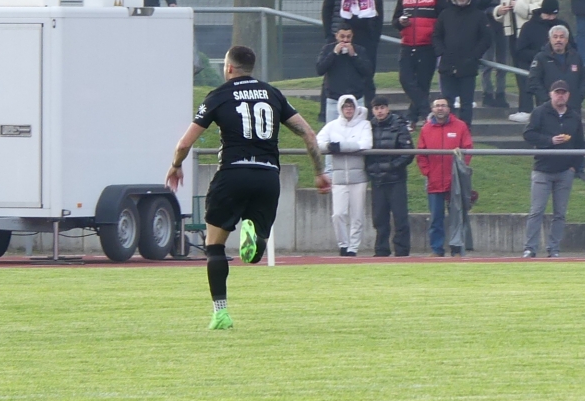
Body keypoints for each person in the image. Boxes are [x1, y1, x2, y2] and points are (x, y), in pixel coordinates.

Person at [168, 45, 326, 327]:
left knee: (214, 246)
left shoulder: (219, 95)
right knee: (253, 255)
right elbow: (309, 134)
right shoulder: (272, 94)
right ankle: (254, 235)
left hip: (233, 173)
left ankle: (220, 313)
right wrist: (319, 173)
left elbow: (184, 144)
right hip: (267, 176)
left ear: (229, 67)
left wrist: (176, 165)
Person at [521, 80, 584, 259]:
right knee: (536, 211)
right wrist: (550, 141)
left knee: (560, 213)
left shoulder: (574, 116)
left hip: (565, 171)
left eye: (563, 93)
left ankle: (554, 248)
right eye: (557, 92)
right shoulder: (540, 112)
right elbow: (528, 134)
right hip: (542, 169)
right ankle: (530, 248)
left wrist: (574, 167)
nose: (560, 96)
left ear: (568, 95)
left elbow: (580, 143)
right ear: (551, 94)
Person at [415, 96, 473, 256]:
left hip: (455, 181)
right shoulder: (426, 129)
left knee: (457, 216)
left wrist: (460, 170)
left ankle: (457, 249)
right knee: (436, 218)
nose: (440, 108)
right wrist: (428, 172)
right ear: (432, 109)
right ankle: (437, 249)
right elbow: (421, 154)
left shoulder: (460, 126)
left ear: (448, 108)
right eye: (437, 106)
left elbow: (468, 149)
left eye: (443, 105)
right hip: (434, 181)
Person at [432, 0, 495, 122]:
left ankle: (465, 131)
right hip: (447, 65)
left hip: (468, 66)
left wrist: (474, 56)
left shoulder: (478, 15)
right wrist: (441, 52)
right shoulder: (445, 14)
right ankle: (447, 129)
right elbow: (436, 35)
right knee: (447, 102)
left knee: (466, 104)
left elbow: (486, 38)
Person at [318, 94, 371, 257]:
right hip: (339, 177)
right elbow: (318, 142)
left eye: (351, 106)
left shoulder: (364, 124)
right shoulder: (332, 126)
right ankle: (343, 244)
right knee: (338, 214)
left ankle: (353, 247)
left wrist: (340, 147)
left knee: (357, 215)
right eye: (345, 106)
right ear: (340, 108)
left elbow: (366, 144)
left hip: (358, 177)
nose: (348, 109)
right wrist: (329, 146)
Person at [365, 97, 413, 257]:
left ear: (387, 108)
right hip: (377, 179)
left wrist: (392, 166)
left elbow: (408, 152)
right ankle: (381, 250)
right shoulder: (368, 127)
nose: (379, 111)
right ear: (372, 110)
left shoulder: (399, 125)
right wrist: (371, 169)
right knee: (379, 218)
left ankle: (402, 251)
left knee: (400, 217)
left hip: (396, 179)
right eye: (376, 108)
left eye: (382, 108)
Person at [314, 25, 374, 119]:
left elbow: (368, 71)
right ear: (336, 36)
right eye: (342, 36)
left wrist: (354, 56)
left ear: (352, 36)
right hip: (334, 100)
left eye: (348, 37)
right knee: (333, 128)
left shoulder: (360, 50)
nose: (345, 40)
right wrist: (334, 54)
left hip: (356, 100)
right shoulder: (328, 49)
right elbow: (320, 70)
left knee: (358, 127)